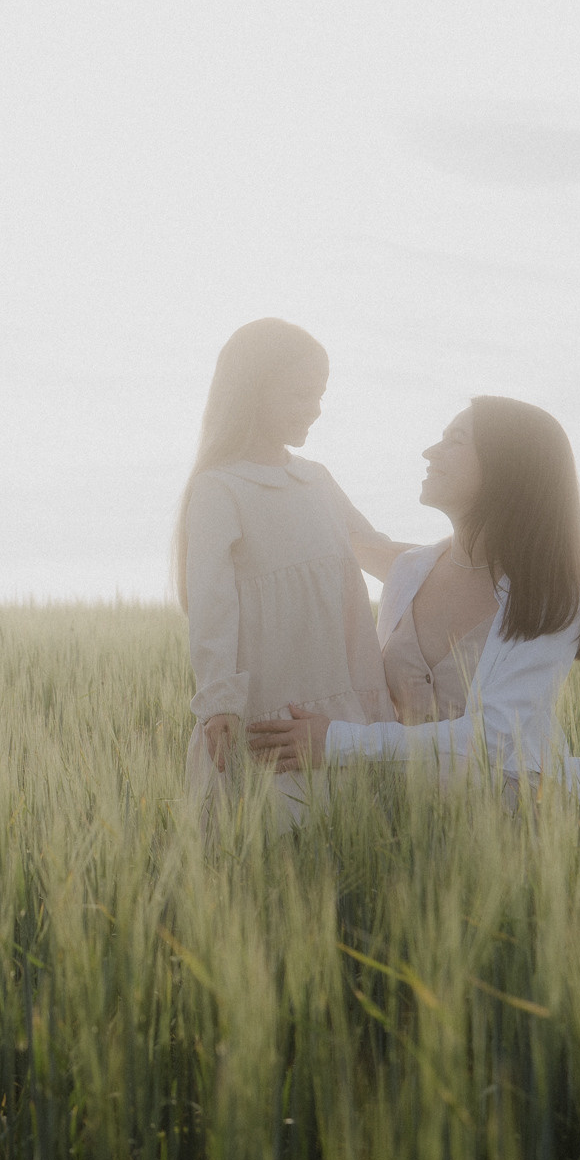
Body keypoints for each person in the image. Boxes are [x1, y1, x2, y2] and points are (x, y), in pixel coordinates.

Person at [246, 395, 580, 798]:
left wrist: (336, 742)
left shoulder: (551, 598)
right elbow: (351, 535)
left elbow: (498, 736)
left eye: (455, 439)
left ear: (508, 465)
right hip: (406, 820)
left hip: (523, 822)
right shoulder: (409, 571)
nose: (430, 452)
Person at [178, 319, 411, 825]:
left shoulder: (318, 481)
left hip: (340, 712)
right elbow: (212, 604)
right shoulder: (221, 490)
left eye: (320, 395)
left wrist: (485, 557)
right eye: (300, 394)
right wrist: (219, 702)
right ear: (250, 393)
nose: (315, 409)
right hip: (270, 717)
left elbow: (383, 556)